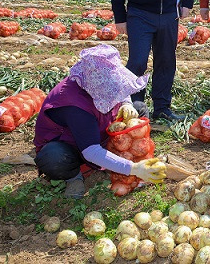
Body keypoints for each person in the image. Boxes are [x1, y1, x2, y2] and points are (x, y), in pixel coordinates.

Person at [33, 45, 167, 199]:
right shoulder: (74, 104)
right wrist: (134, 169)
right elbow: (91, 151)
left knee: (139, 109)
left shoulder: (93, 79)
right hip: (74, 146)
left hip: (101, 128)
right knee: (53, 157)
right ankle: (73, 177)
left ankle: (130, 157)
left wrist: (126, 104)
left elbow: (119, 87)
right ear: (98, 86)